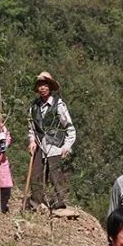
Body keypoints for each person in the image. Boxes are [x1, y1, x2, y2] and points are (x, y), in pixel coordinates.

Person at [26, 71, 75, 210]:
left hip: (56, 145)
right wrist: (32, 141)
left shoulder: (59, 105)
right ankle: (36, 204)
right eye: (40, 85)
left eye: (45, 84)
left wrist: (67, 146)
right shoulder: (33, 107)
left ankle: (58, 204)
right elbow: (32, 128)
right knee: (36, 175)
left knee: (56, 176)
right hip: (40, 145)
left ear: (50, 87)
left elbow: (69, 128)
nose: (42, 88)